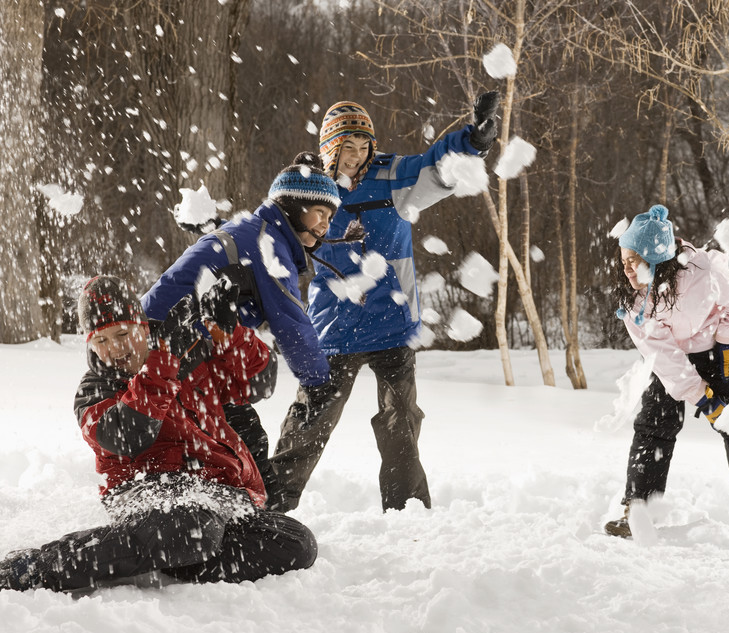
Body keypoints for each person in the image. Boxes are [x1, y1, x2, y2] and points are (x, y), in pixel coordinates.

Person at [0, 276, 317, 592]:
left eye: (122, 334)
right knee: (189, 528)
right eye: (101, 341)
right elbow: (129, 435)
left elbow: (259, 383)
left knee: (297, 544)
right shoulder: (94, 390)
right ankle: (36, 567)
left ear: (142, 326)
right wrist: (161, 365)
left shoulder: (188, 353)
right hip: (146, 494)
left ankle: (176, 557)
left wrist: (228, 332)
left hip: (216, 495)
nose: (114, 348)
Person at [267, 93, 502, 513]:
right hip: (335, 323)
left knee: (400, 424)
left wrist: (474, 142)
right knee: (311, 419)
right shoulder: (309, 185)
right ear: (328, 148)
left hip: (392, 321)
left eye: (363, 147)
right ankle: (269, 503)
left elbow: (437, 166)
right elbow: (268, 230)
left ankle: (407, 510)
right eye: (346, 147)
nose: (355, 157)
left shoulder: (391, 177)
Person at [141, 157, 344, 497]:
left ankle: (233, 507)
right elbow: (292, 324)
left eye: (330, 217)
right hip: (177, 345)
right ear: (292, 207)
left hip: (173, 343)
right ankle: (254, 517)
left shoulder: (255, 231)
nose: (325, 225)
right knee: (240, 440)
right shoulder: (269, 247)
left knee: (231, 428)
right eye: (319, 213)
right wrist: (319, 380)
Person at [603, 205, 729, 538]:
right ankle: (639, 509)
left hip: (720, 348)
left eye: (634, 262)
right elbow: (662, 354)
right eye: (623, 262)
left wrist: (728, 343)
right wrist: (702, 398)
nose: (627, 271)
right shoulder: (633, 301)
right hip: (675, 359)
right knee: (655, 424)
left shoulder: (709, 268)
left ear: (656, 258)